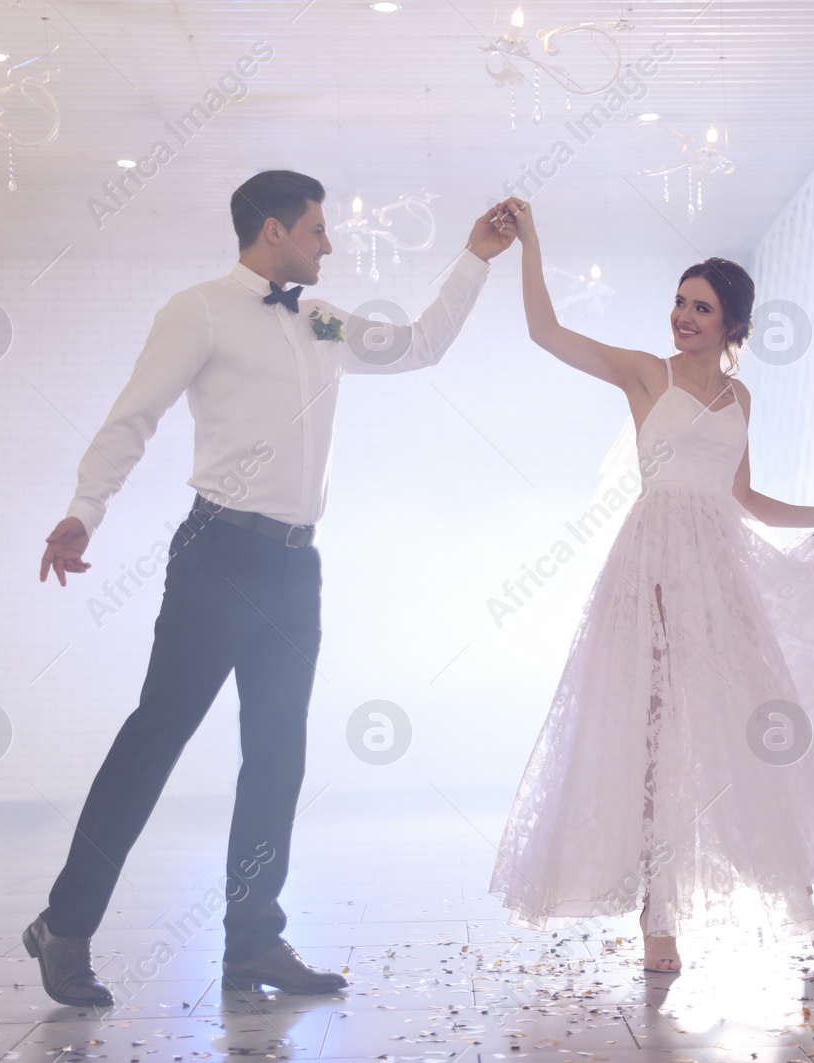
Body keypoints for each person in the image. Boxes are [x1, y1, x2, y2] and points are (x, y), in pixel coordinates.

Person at [25, 170, 516, 1005]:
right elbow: (133, 414)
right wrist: (84, 510)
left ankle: (253, 942)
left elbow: (419, 345)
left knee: (278, 757)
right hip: (217, 553)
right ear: (275, 231)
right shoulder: (198, 309)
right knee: (156, 740)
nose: (330, 243)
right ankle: (65, 927)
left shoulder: (319, 317)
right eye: (318, 229)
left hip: (297, 566)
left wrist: (475, 256)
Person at [487, 198, 814, 973]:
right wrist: (531, 242)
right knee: (652, 739)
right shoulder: (648, 375)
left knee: (757, 735)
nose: (681, 315)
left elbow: (745, 497)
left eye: (700, 307)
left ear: (731, 326)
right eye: (680, 301)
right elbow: (546, 332)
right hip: (649, 567)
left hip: (721, 575)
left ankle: (807, 904)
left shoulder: (741, 399)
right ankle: (659, 917)